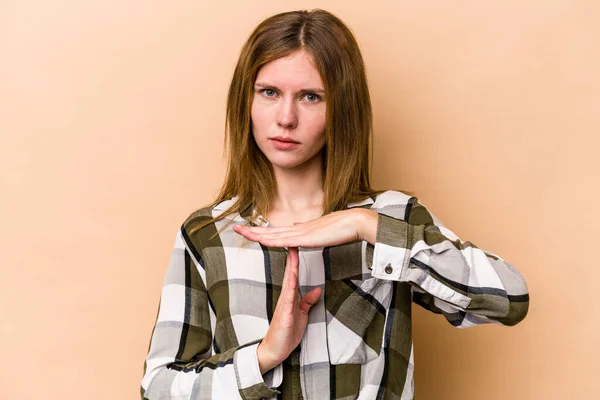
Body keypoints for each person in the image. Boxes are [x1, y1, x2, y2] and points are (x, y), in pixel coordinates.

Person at [140, 9, 529, 400]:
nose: (286, 118)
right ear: (246, 100)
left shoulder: (391, 218)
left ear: (341, 108)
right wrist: (262, 357)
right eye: (269, 92)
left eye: (311, 97)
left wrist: (366, 226)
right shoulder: (209, 233)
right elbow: (157, 388)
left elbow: (509, 300)